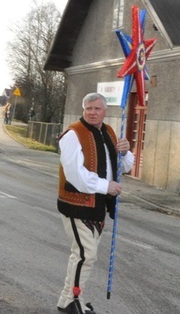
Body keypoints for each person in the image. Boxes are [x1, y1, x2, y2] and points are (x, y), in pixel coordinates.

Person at [56, 92, 134, 314]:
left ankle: (69, 299)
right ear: (83, 110)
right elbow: (74, 174)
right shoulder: (73, 134)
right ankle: (71, 301)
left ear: (104, 111)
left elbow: (124, 166)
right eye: (88, 108)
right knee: (85, 255)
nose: (92, 112)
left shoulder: (109, 131)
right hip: (77, 203)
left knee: (83, 255)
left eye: (97, 108)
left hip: (98, 205)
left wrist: (126, 152)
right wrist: (105, 186)